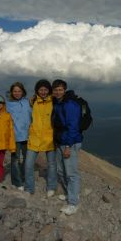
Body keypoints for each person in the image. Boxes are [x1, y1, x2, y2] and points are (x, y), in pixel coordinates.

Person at [52, 79, 83, 215]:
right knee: (60, 171)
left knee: (71, 173)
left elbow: (73, 127)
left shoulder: (70, 104)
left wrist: (68, 146)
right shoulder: (58, 103)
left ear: (64, 90)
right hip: (60, 141)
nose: (58, 92)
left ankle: (73, 203)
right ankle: (71, 194)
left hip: (69, 143)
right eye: (56, 89)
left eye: (60, 89)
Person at [24, 79, 57, 196]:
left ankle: (51, 187)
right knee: (28, 164)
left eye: (45, 89)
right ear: (37, 90)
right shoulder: (32, 102)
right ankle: (29, 188)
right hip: (35, 138)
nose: (43, 92)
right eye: (41, 89)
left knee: (52, 164)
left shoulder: (54, 101)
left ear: (49, 91)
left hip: (50, 138)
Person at [5, 82, 32, 191]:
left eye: (19, 91)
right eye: (15, 91)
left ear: (23, 92)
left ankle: (23, 177)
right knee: (15, 159)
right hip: (14, 136)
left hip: (28, 136)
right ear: (11, 92)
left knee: (27, 158)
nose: (17, 93)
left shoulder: (27, 102)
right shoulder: (7, 104)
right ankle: (17, 182)